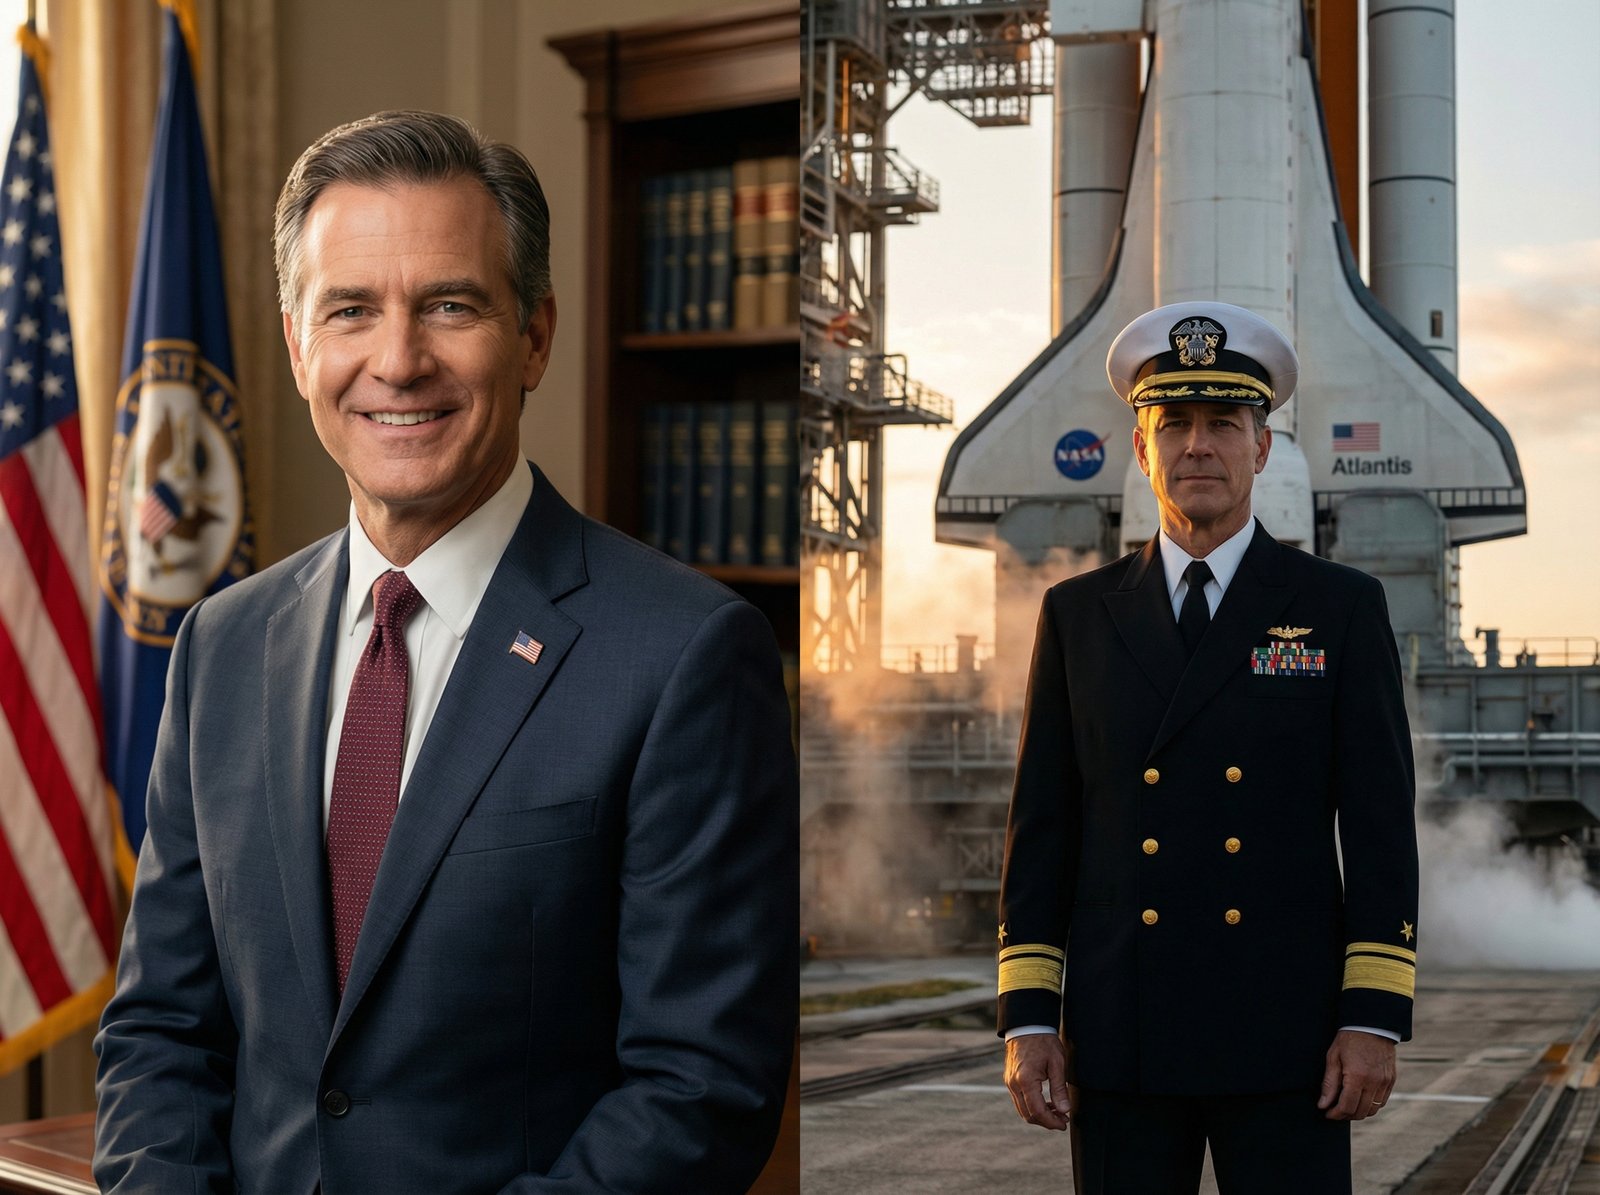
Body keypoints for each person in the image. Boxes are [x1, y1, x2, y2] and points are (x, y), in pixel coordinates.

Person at [94, 110, 797, 1194]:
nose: (398, 360)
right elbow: (158, 1035)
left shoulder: (685, 656)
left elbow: (697, 1087)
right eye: (351, 311)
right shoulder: (223, 645)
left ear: (535, 336)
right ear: (296, 343)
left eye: (451, 305)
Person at [997, 301, 1418, 1193]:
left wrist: (1374, 1015)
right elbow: (1043, 829)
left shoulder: (1339, 608)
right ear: (1142, 449)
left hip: (1288, 1038)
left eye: (1223, 423)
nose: (1198, 445)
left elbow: (1379, 825)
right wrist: (1029, 1015)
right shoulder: (1077, 615)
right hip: (1121, 1038)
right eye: (1173, 424)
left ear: (1261, 448)